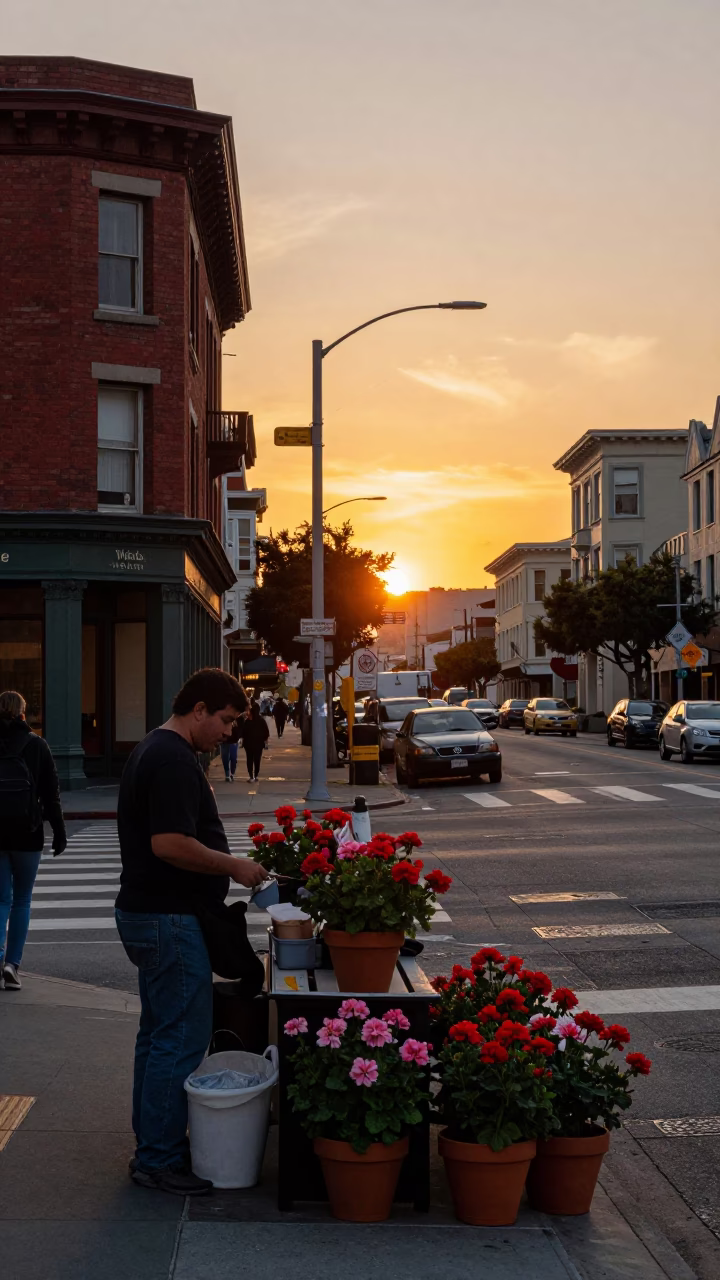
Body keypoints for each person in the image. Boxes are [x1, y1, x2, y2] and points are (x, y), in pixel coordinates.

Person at [115, 668, 268, 1197]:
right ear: (198, 709)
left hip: (149, 912)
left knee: (157, 1037)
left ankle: (153, 1145)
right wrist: (233, 866)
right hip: (168, 917)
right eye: (225, 721)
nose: (228, 733)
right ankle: (158, 1157)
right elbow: (170, 844)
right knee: (178, 1040)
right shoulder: (174, 760)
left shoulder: (152, 750)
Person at [0, 690, 66, 991]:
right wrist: (59, 832)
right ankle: (12, 965)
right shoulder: (38, 745)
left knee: (1, 899)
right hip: (28, 833)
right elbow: (51, 794)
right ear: (23, 713)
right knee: (22, 899)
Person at [242, 701, 269, 781]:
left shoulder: (248, 721)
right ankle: (255, 775)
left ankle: (251, 775)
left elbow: (243, 733)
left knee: (250, 759)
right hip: (258, 744)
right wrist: (264, 741)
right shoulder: (261, 720)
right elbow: (266, 733)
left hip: (249, 744)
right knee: (257, 759)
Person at [220, 717, 242, 782]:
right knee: (225, 758)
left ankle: (232, 773)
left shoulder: (235, 721)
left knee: (233, 758)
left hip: (233, 742)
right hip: (225, 742)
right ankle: (227, 774)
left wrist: (237, 739)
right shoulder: (223, 721)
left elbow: (238, 732)